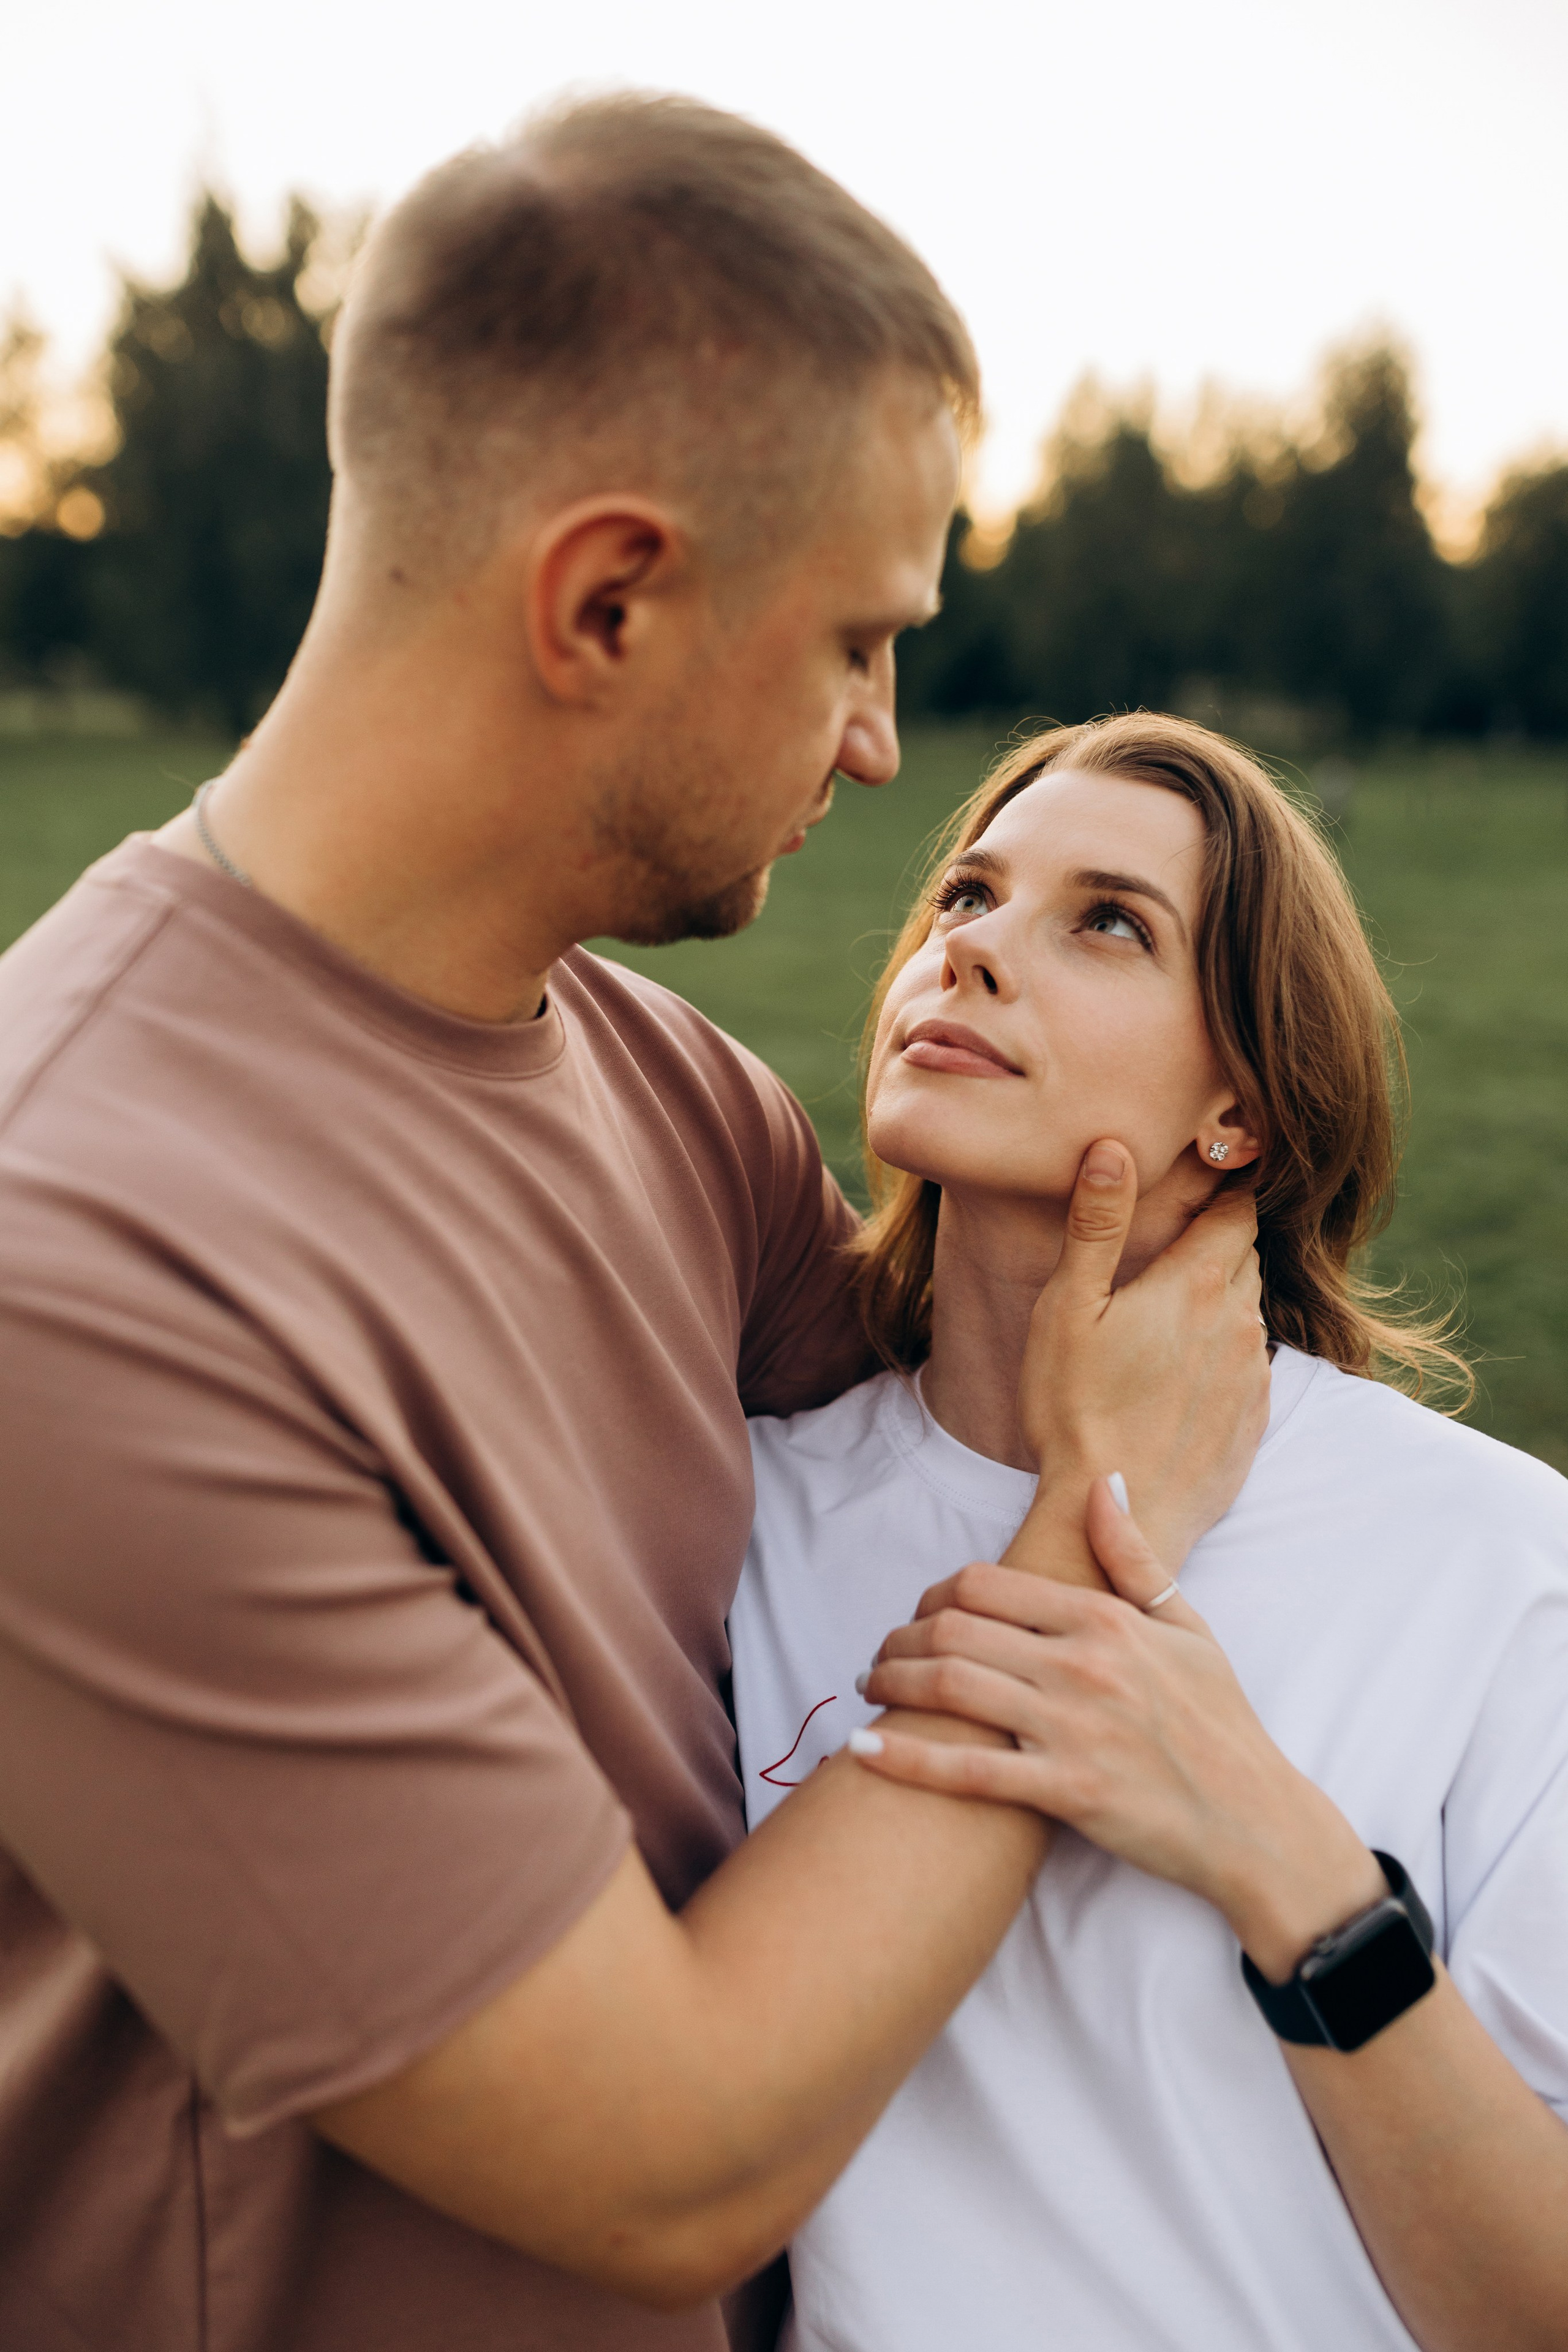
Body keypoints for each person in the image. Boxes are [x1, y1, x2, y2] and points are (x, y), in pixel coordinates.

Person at [0, 100, 1268, 2352]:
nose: (887, 745)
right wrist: (1102, 1522)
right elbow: (662, 2153)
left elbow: (926, 1421)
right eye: (861, 642)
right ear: (606, 598)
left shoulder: (661, 1087)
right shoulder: (76, 1262)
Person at [730, 713, 1568, 2352]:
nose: (969, 951)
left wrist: (1287, 1859)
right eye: (966, 894)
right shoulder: (742, 1520)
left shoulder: (1499, 1563)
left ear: (1239, 1107)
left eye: (1106, 921)